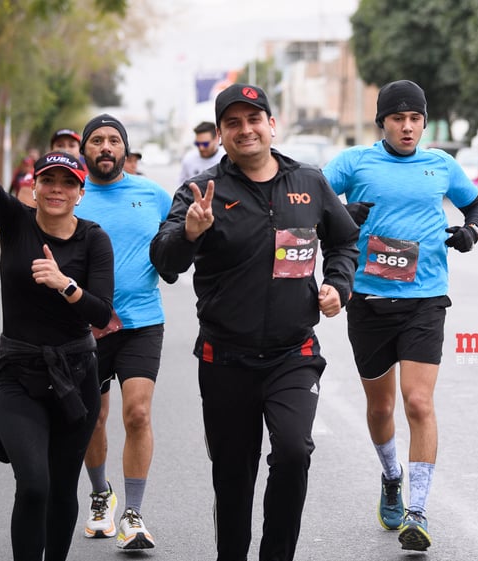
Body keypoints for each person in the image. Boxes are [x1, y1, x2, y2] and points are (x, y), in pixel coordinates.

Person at [150, 84, 360, 561]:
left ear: (271, 124)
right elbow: (165, 261)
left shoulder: (308, 181)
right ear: (221, 135)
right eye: (233, 123)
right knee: (232, 477)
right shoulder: (200, 191)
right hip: (225, 359)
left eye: (254, 119)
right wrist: (188, 232)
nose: (245, 129)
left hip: (293, 354)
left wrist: (338, 286)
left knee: (293, 452)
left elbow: (345, 240)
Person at [322, 79, 478, 552]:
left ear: (424, 121)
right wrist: (341, 212)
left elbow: (477, 203)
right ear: (383, 123)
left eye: (415, 118)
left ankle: (417, 510)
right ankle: (391, 475)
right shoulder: (354, 163)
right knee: (381, 408)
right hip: (370, 301)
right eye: (398, 118)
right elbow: (306, 200)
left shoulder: (441, 165)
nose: (408, 126)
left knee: (418, 402)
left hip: (425, 299)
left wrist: (471, 232)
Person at [0, 121, 115, 561]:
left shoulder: (94, 239)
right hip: (18, 375)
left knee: (62, 487)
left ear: (81, 192)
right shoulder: (16, 223)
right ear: (34, 187)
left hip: (77, 378)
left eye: (67, 182)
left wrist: (65, 284)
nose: (57, 189)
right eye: (48, 180)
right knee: (34, 484)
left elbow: (101, 312)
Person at [73, 114, 173, 551]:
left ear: (125, 149)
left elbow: (181, 240)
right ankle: (100, 495)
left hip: (142, 322)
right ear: (85, 150)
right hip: (84, 328)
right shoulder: (72, 196)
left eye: (114, 140)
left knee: (137, 413)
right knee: (93, 417)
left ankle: (133, 513)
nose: (106, 147)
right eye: (97, 140)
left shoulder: (152, 194)